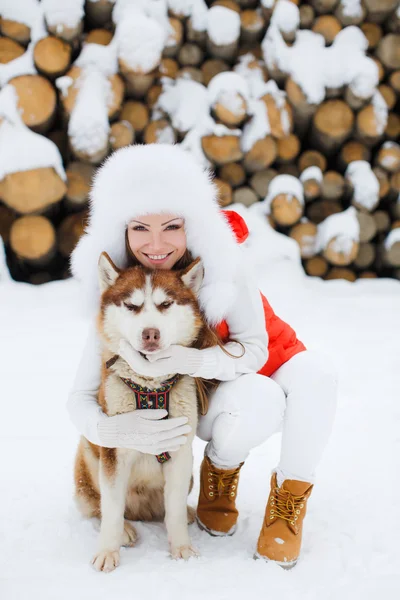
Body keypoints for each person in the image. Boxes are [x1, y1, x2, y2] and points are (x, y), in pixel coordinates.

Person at [68, 143, 337, 568]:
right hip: (216, 395)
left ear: (192, 223)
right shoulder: (121, 285)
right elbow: (81, 394)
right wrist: (110, 430)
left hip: (255, 358)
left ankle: (288, 505)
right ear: (121, 230)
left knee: (318, 378)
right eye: (140, 227)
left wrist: (192, 362)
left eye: (172, 226)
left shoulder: (224, 261)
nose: (156, 243)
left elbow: (255, 347)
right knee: (258, 400)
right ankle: (221, 474)